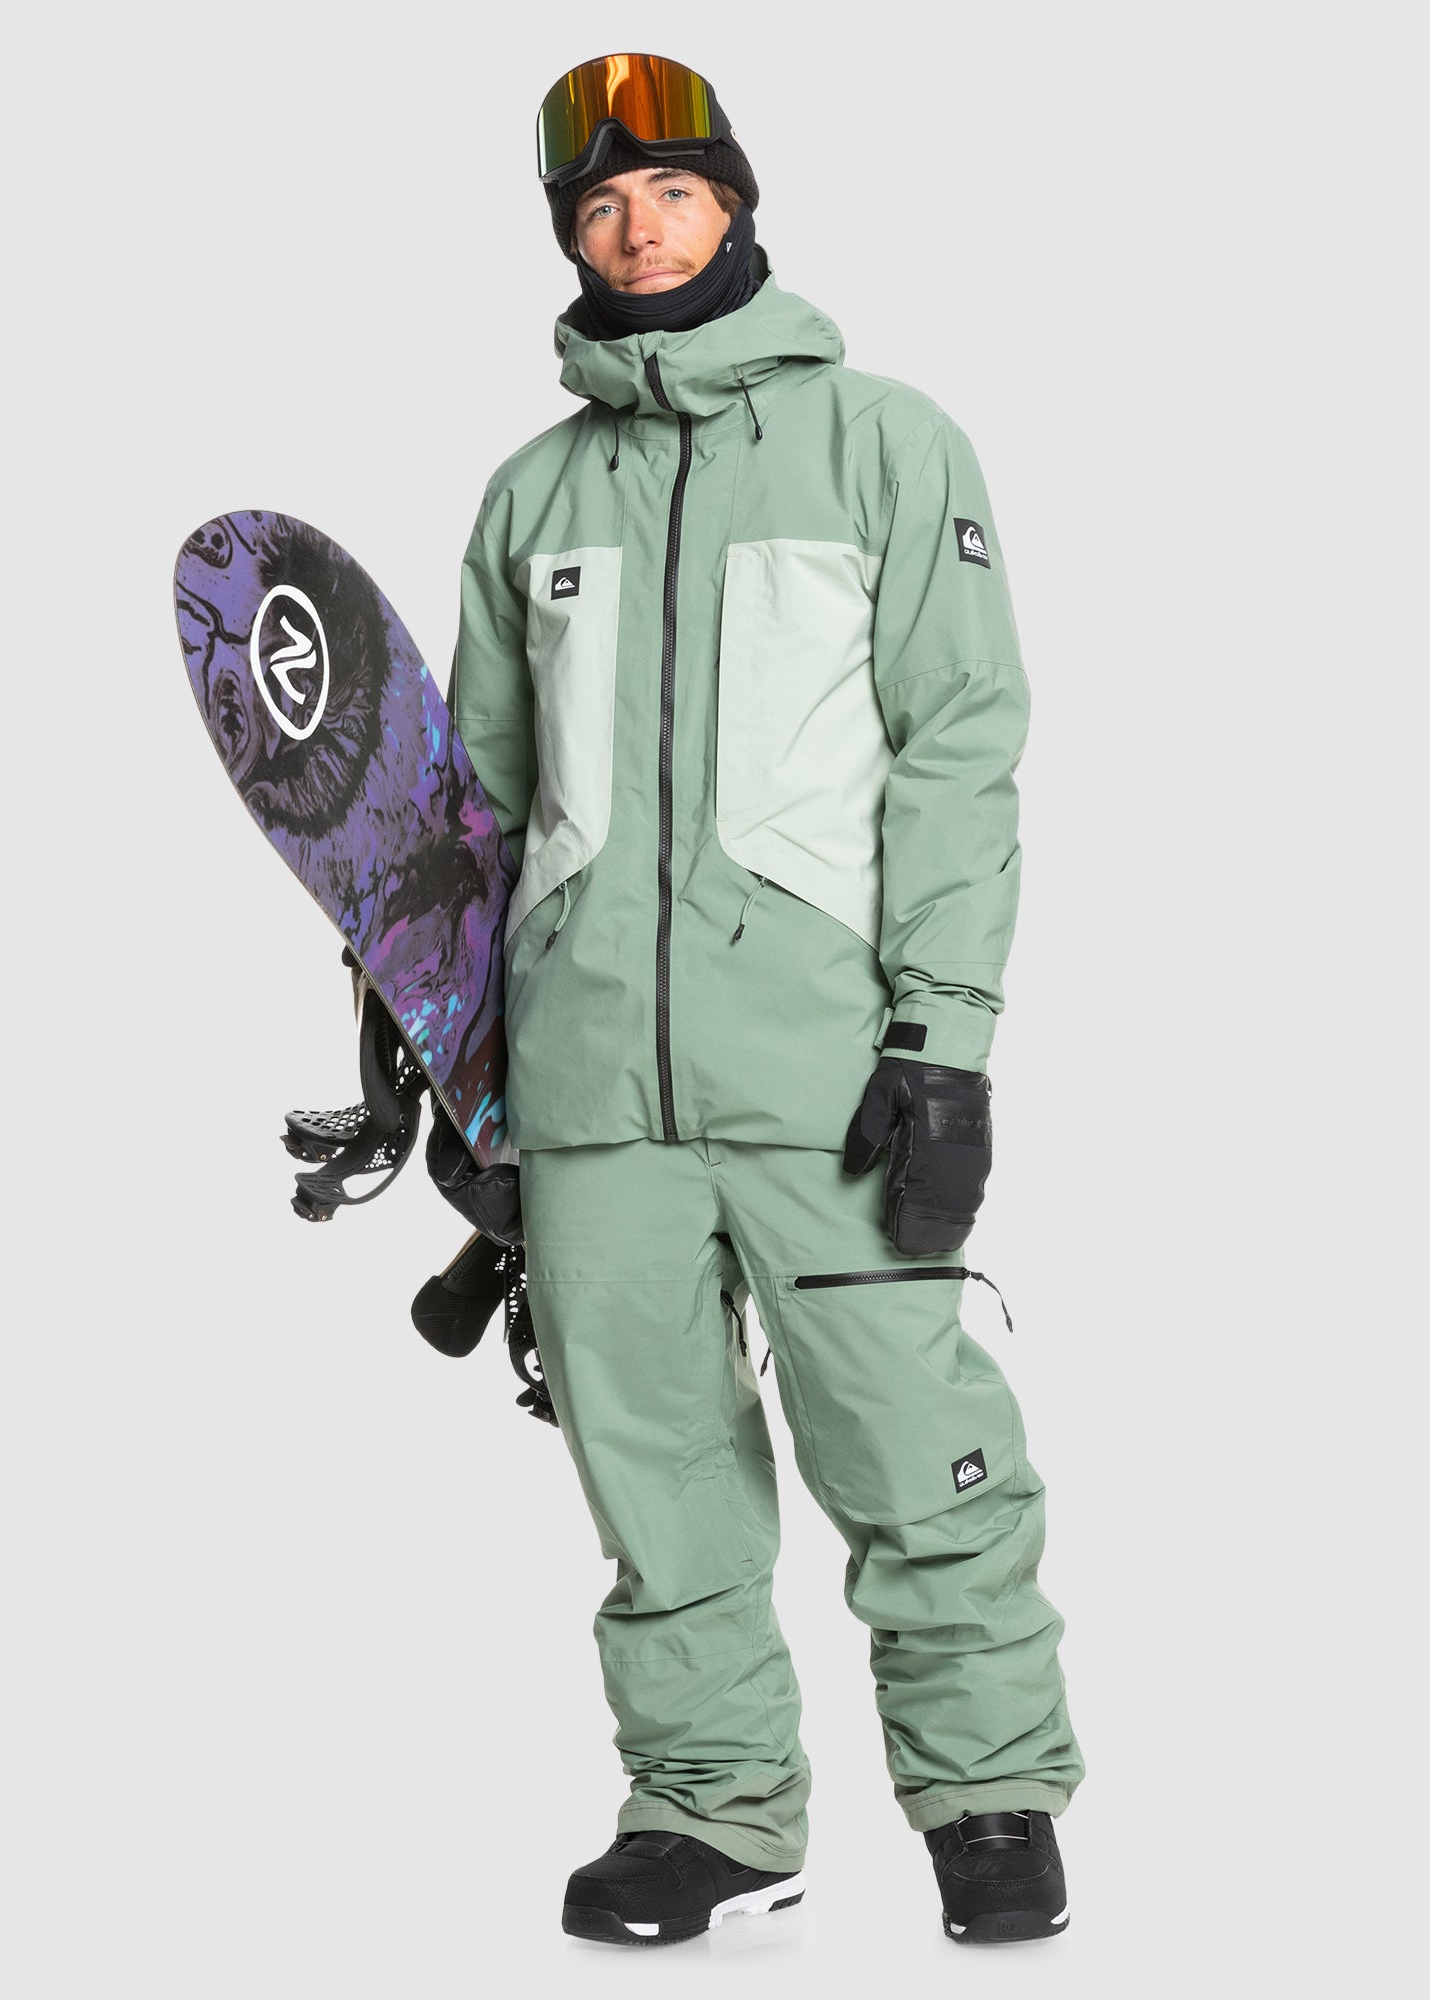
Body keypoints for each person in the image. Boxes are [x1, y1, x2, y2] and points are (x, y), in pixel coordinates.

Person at [447, 52, 1084, 1948]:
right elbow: (478, 814)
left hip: (827, 1075)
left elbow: (960, 751)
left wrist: (944, 1045)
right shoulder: (530, 495)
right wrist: (461, 1069)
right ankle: (711, 1812)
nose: (636, 232)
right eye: (598, 208)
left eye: (668, 192)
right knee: (653, 1480)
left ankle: (986, 1795)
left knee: (910, 1442)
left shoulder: (885, 444)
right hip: (592, 1094)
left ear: (732, 200)